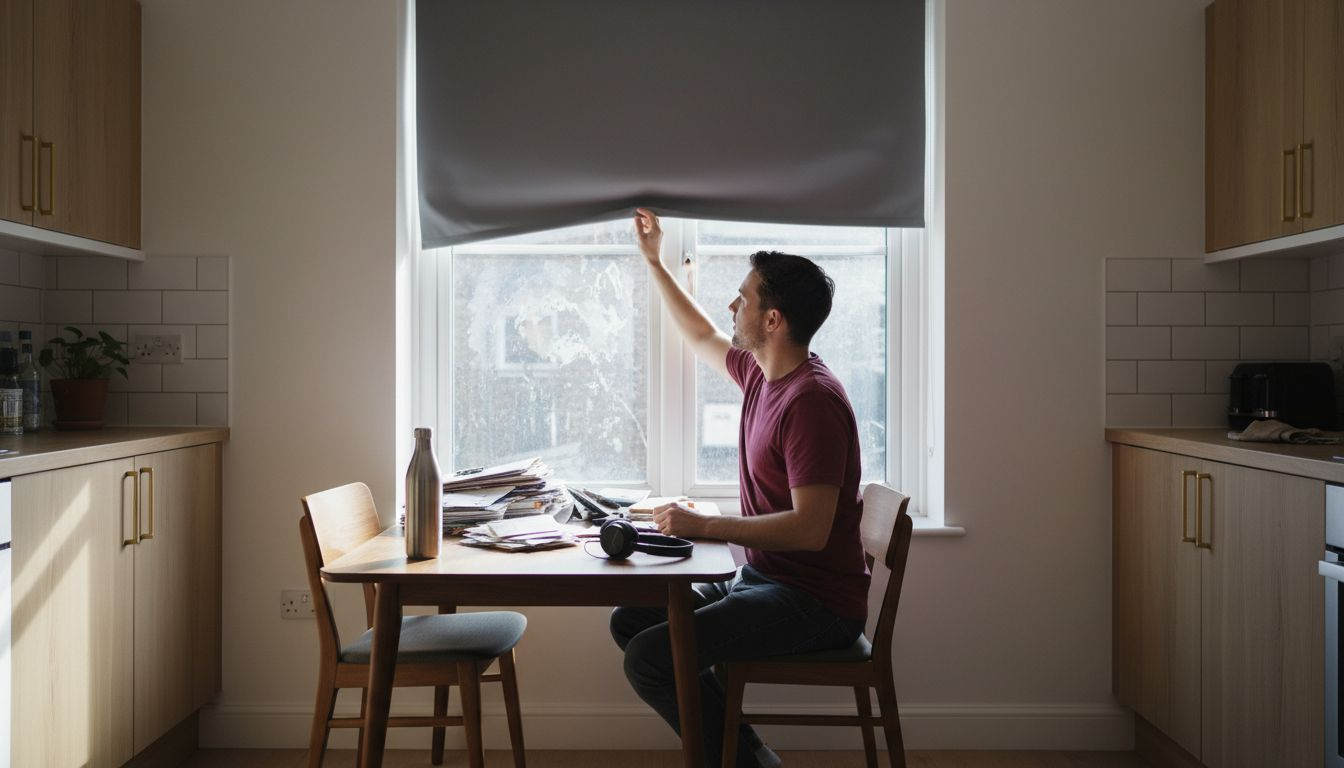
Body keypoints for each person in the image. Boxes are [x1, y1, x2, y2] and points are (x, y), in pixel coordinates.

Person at [610, 208, 870, 768]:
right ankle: (743, 748)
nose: (732, 307)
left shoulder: (811, 403)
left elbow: (810, 529)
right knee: (631, 620)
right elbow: (700, 333)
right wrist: (655, 262)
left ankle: (740, 760)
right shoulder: (762, 373)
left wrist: (704, 526)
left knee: (649, 658)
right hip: (763, 580)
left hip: (814, 602)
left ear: (773, 320)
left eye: (743, 298)